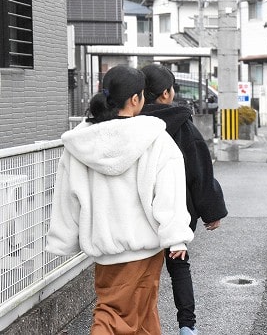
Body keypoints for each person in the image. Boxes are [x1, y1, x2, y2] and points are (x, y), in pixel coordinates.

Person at [46, 65, 194, 334]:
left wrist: (63, 239)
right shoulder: (155, 139)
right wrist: (175, 236)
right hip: (144, 247)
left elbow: (67, 196)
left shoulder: (81, 143)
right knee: (115, 316)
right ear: (136, 99)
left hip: (105, 250)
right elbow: (168, 192)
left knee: (138, 314)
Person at [140, 64, 228, 335]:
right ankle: (187, 326)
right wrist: (211, 210)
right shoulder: (181, 124)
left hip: (140, 211)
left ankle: (141, 323)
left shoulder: (131, 121)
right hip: (177, 210)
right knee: (179, 266)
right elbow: (198, 169)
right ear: (166, 93)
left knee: (142, 273)